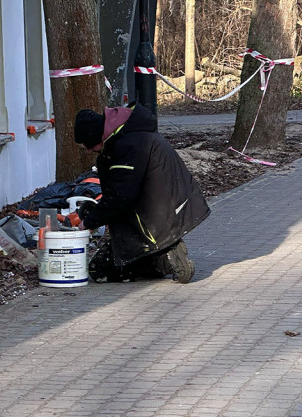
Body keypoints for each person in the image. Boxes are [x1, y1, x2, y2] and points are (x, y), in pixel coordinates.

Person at [73, 103, 210, 283]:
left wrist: (89, 223)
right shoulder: (133, 133)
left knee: (99, 270)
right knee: (111, 259)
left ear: (97, 136)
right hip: (173, 203)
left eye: (90, 145)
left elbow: (120, 196)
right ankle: (161, 254)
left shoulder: (126, 145)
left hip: (155, 216)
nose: (90, 151)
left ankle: (163, 256)